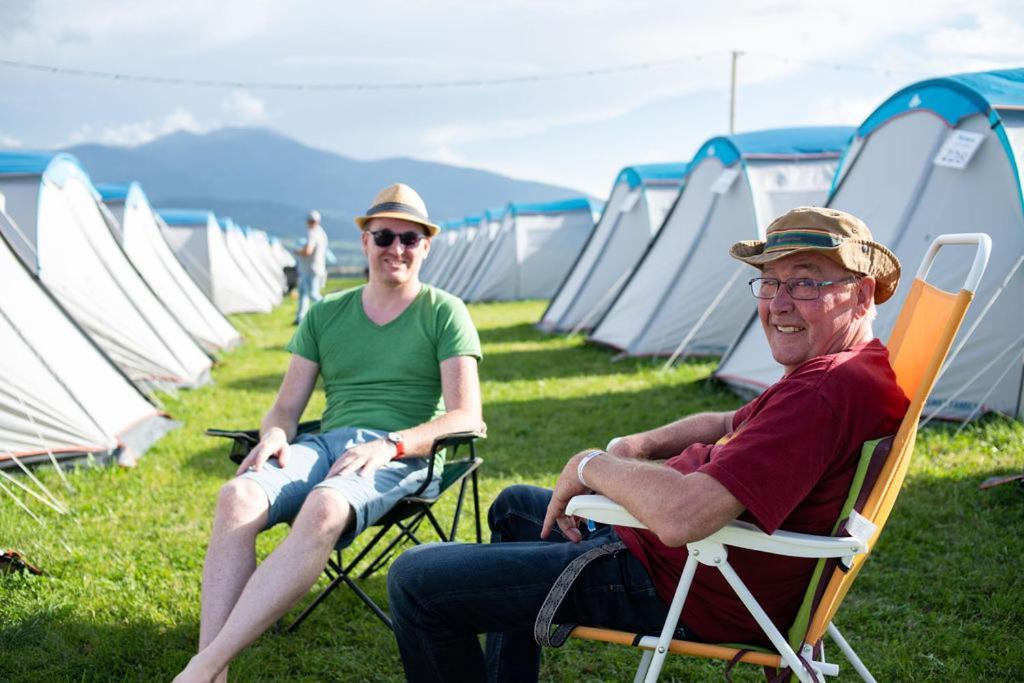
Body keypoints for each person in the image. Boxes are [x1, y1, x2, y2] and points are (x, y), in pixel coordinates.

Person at [387, 206, 909, 682]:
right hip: (681, 553)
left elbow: (685, 515)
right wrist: (639, 446)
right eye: (769, 283)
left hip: (684, 578)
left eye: (806, 284)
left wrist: (590, 465)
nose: (778, 304)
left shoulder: (822, 393)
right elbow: (729, 418)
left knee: (417, 582)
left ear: (861, 295)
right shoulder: (846, 370)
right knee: (515, 508)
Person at [175, 184, 483, 683]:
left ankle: (202, 666)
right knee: (236, 496)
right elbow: (285, 408)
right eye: (384, 236)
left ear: (426, 246)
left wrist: (392, 444)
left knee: (324, 506)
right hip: (326, 443)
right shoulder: (324, 314)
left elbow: (466, 415)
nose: (397, 248)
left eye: (410, 238)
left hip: (401, 454)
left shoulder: (444, 311)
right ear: (365, 242)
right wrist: (274, 434)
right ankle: (216, 666)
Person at [293, 209, 329, 324]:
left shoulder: (313, 233)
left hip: (311, 268)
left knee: (313, 294)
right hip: (315, 268)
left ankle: (330, 311)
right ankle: (300, 318)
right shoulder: (322, 233)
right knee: (303, 293)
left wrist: (298, 251)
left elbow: (308, 251)